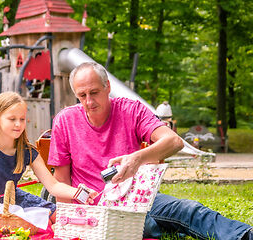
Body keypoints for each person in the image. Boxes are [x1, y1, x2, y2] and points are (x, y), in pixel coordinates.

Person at [48, 62, 253, 240]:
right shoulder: (65, 121)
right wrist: (67, 224)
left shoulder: (131, 110)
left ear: (107, 86)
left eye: (94, 93)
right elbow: (62, 182)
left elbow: (174, 141)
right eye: (82, 96)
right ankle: (161, 228)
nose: (89, 102)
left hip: (137, 198)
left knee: (189, 209)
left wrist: (137, 158)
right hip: (94, 211)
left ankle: (245, 235)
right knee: (146, 226)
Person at [0, 92, 97, 226]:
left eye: (22, 119)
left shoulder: (27, 151)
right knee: (36, 223)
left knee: (57, 216)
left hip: (13, 198)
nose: (18, 124)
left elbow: (53, 185)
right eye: (12, 119)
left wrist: (79, 193)